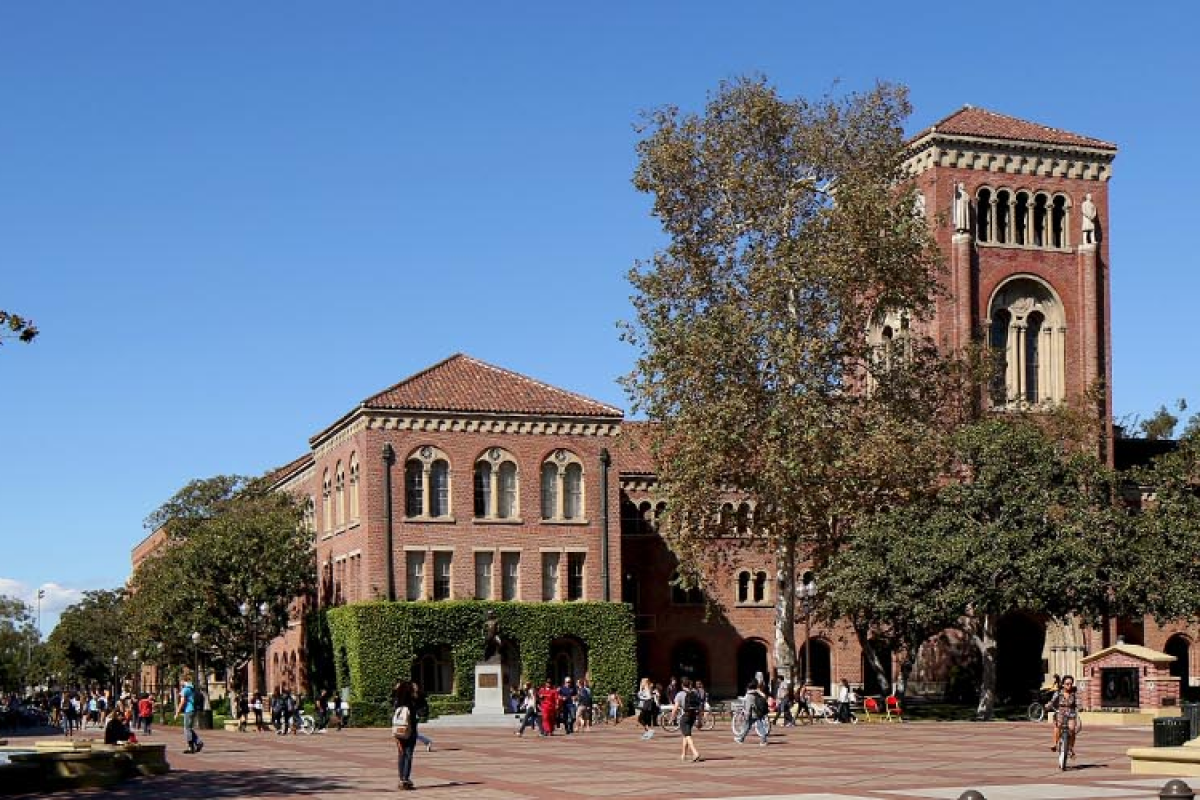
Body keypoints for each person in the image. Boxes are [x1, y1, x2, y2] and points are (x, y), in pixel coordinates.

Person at [391, 680, 419, 791]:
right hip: (410, 731)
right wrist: (417, 692)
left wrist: (395, 690)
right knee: (408, 754)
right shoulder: (412, 702)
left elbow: (391, 699)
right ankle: (405, 779)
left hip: (398, 730)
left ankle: (401, 778)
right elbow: (422, 710)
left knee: (401, 754)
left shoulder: (397, 702)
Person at [1047, 674, 1080, 760]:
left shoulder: (1074, 693)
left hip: (1071, 713)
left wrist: (1081, 707)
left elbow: (1078, 702)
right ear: (1063, 684)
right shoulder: (1058, 692)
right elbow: (1052, 701)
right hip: (1060, 712)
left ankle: (1070, 748)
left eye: (1071, 684)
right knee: (1058, 726)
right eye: (1067, 684)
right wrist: (1048, 705)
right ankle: (1055, 744)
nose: (1069, 686)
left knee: (1072, 729)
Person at [174, 673, 205, 754]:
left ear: (183, 680)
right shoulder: (192, 688)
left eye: (180, 681)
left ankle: (191, 747)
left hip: (189, 710)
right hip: (193, 710)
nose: (180, 682)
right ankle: (198, 743)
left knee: (187, 729)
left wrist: (177, 712)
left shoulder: (185, 689)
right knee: (189, 728)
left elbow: (182, 702)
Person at [674, 677, 702, 763]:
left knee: (688, 736)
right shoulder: (694, 693)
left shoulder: (680, 694)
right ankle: (683, 755)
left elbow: (675, 707)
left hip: (685, 716)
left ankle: (695, 752)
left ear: (682, 685)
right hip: (693, 716)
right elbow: (699, 707)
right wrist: (700, 719)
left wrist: (672, 717)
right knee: (685, 735)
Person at [736, 680, 769, 746]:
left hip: (752, 713)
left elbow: (748, 706)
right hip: (758, 712)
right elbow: (765, 697)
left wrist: (746, 715)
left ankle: (763, 741)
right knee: (752, 726)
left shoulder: (749, 695)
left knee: (752, 726)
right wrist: (758, 691)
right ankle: (741, 738)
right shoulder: (757, 693)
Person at [412, 682, 434, 752]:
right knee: (412, 733)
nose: (413, 687)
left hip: (416, 714)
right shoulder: (411, 695)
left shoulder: (420, 694)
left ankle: (427, 741)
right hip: (412, 714)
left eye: (414, 686)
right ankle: (427, 741)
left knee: (413, 733)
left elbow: (423, 697)